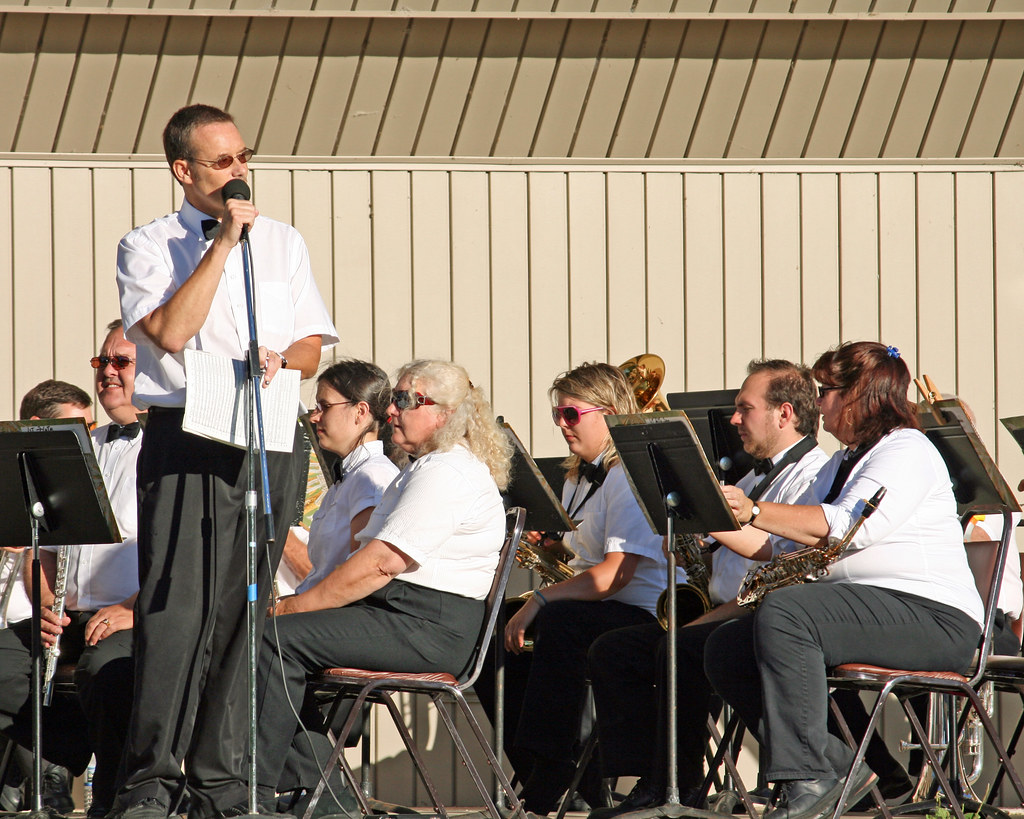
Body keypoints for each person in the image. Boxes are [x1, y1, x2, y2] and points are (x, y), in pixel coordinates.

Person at [113, 103, 338, 819]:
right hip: (188, 426)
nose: (240, 173)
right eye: (222, 162)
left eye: (245, 156)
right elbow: (171, 333)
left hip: (269, 426)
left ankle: (225, 777)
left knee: (246, 606)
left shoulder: (285, 241)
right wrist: (222, 247)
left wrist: (281, 356)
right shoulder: (147, 244)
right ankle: (153, 778)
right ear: (184, 171)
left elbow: (311, 342)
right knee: (178, 607)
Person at [704, 341, 986, 819]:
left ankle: (808, 778)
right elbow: (782, 544)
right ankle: (840, 767)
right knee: (726, 646)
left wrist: (753, 508)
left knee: (787, 612)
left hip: (935, 618)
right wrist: (707, 515)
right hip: (871, 610)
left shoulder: (908, 449)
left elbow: (849, 525)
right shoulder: (843, 462)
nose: (819, 402)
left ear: (859, 395)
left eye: (826, 391)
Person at [240, 359, 511, 819]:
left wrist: (293, 607)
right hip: (403, 617)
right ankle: (323, 794)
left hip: (430, 627)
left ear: (444, 414)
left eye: (406, 400)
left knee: (276, 640)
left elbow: (380, 564)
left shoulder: (448, 471)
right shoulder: (423, 467)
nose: (392, 411)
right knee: (269, 639)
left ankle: (255, 795)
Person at [586, 359, 829, 817]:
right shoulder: (755, 476)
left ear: (785, 414)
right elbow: (731, 549)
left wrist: (710, 520)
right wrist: (690, 537)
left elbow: (779, 555)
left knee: (678, 650)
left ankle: (676, 787)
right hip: (729, 608)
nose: (733, 420)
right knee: (614, 650)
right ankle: (640, 779)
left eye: (744, 408)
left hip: (767, 615)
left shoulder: (815, 474)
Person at [479, 361, 677, 816]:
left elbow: (613, 576)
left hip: (647, 610)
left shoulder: (629, 476)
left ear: (608, 413)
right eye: (557, 415)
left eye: (572, 415)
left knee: (559, 620)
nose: (562, 426)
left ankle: (551, 770)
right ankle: (545, 769)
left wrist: (542, 597)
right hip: (603, 604)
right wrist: (552, 544)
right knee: (492, 631)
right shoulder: (577, 478)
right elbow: (585, 558)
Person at [272, 359, 401, 798]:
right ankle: (316, 789)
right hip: (324, 615)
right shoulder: (350, 477)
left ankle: (315, 789)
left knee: (253, 644)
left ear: (361, 413)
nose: (314, 415)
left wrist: (288, 608)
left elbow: (358, 572)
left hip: (351, 622)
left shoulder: (371, 480)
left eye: (323, 406)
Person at [0, 380, 96, 814]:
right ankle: (55, 763)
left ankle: (48, 773)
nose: (87, 443)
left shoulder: (78, 486)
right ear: (37, 429)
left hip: (56, 616)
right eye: (77, 431)